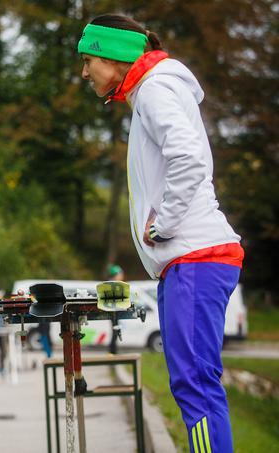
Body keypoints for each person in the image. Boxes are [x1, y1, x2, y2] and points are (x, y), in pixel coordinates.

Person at [77, 15, 244, 453]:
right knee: (193, 381)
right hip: (190, 259)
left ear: (113, 58)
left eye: (88, 59)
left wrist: (163, 222)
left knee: (195, 384)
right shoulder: (151, 89)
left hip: (196, 256)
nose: (84, 71)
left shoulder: (153, 89)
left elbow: (189, 159)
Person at [107, 264, 125, 354]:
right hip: (113, 311)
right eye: (120, 274)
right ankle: (112, 351)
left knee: (116, 331)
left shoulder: (116, 284)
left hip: (116, 311)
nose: (122, 276)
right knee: (115, 331)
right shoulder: (112, 285)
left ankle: (113, 351)